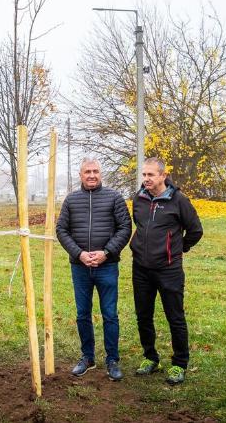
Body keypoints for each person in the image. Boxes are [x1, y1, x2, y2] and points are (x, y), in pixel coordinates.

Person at [56, 157, 131, 381]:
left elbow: (125, 227)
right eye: (87, 171)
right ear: (80, 175)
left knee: (110, 314)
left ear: (101, 174)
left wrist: (106, 252)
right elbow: (61, 229)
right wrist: (78, 254)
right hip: (80, 268)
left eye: (95, 171)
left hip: (107, 266)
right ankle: (87, 357)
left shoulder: (114, 198)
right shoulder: (71, 200)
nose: (91, 175)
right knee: (82, 314)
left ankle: (112, 360)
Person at [130, 157, 203, 385]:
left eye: (151, 175)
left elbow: (195, 230)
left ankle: (179, 364)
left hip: (169, 270)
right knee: (143, 315)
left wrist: (178, 249)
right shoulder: (139, 199)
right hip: (141, 268)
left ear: (163, 175)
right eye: (144, 175)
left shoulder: (179, 200)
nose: (146, 179)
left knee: (175, 317)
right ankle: (150, 358)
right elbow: (139, 225)